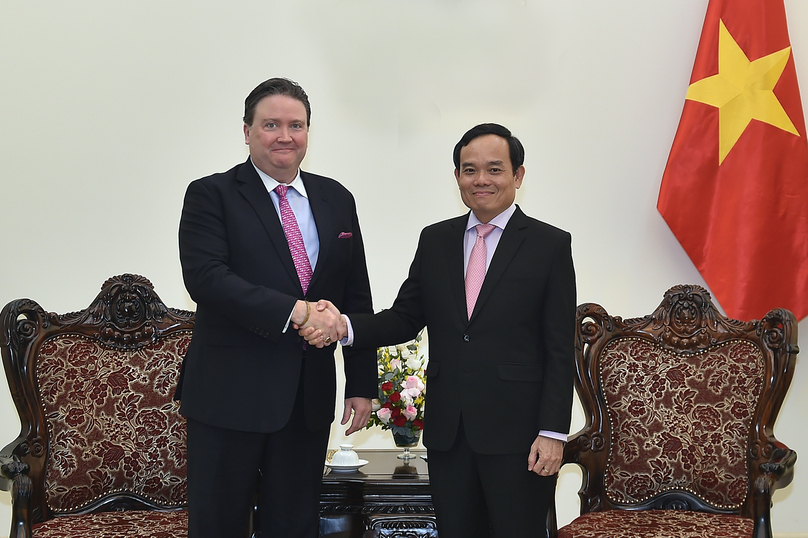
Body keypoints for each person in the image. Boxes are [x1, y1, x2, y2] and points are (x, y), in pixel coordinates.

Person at [303, 123, 576, 537]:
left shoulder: (549, 245)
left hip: (519, 438)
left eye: (494, 169)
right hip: (449, 434)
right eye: (469, 170)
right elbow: (405, 317)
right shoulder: (436, 240)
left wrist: (553, 433)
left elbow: (559, 347)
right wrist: (344, 325)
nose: (481, 180)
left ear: (518, 176)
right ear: (457, 178)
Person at [175, 77, 376, 538]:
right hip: (229, 399)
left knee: (294, 526)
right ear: (247, 131)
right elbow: (207, 279)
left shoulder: (337, 198)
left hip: (306, 401)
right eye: (271, 124)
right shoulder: (211, 195)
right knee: (218, 526)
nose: (285, 136)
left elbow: (356, 293)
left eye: (296, 125)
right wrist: (297, 311)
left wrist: (362, 382)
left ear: (308, 132)